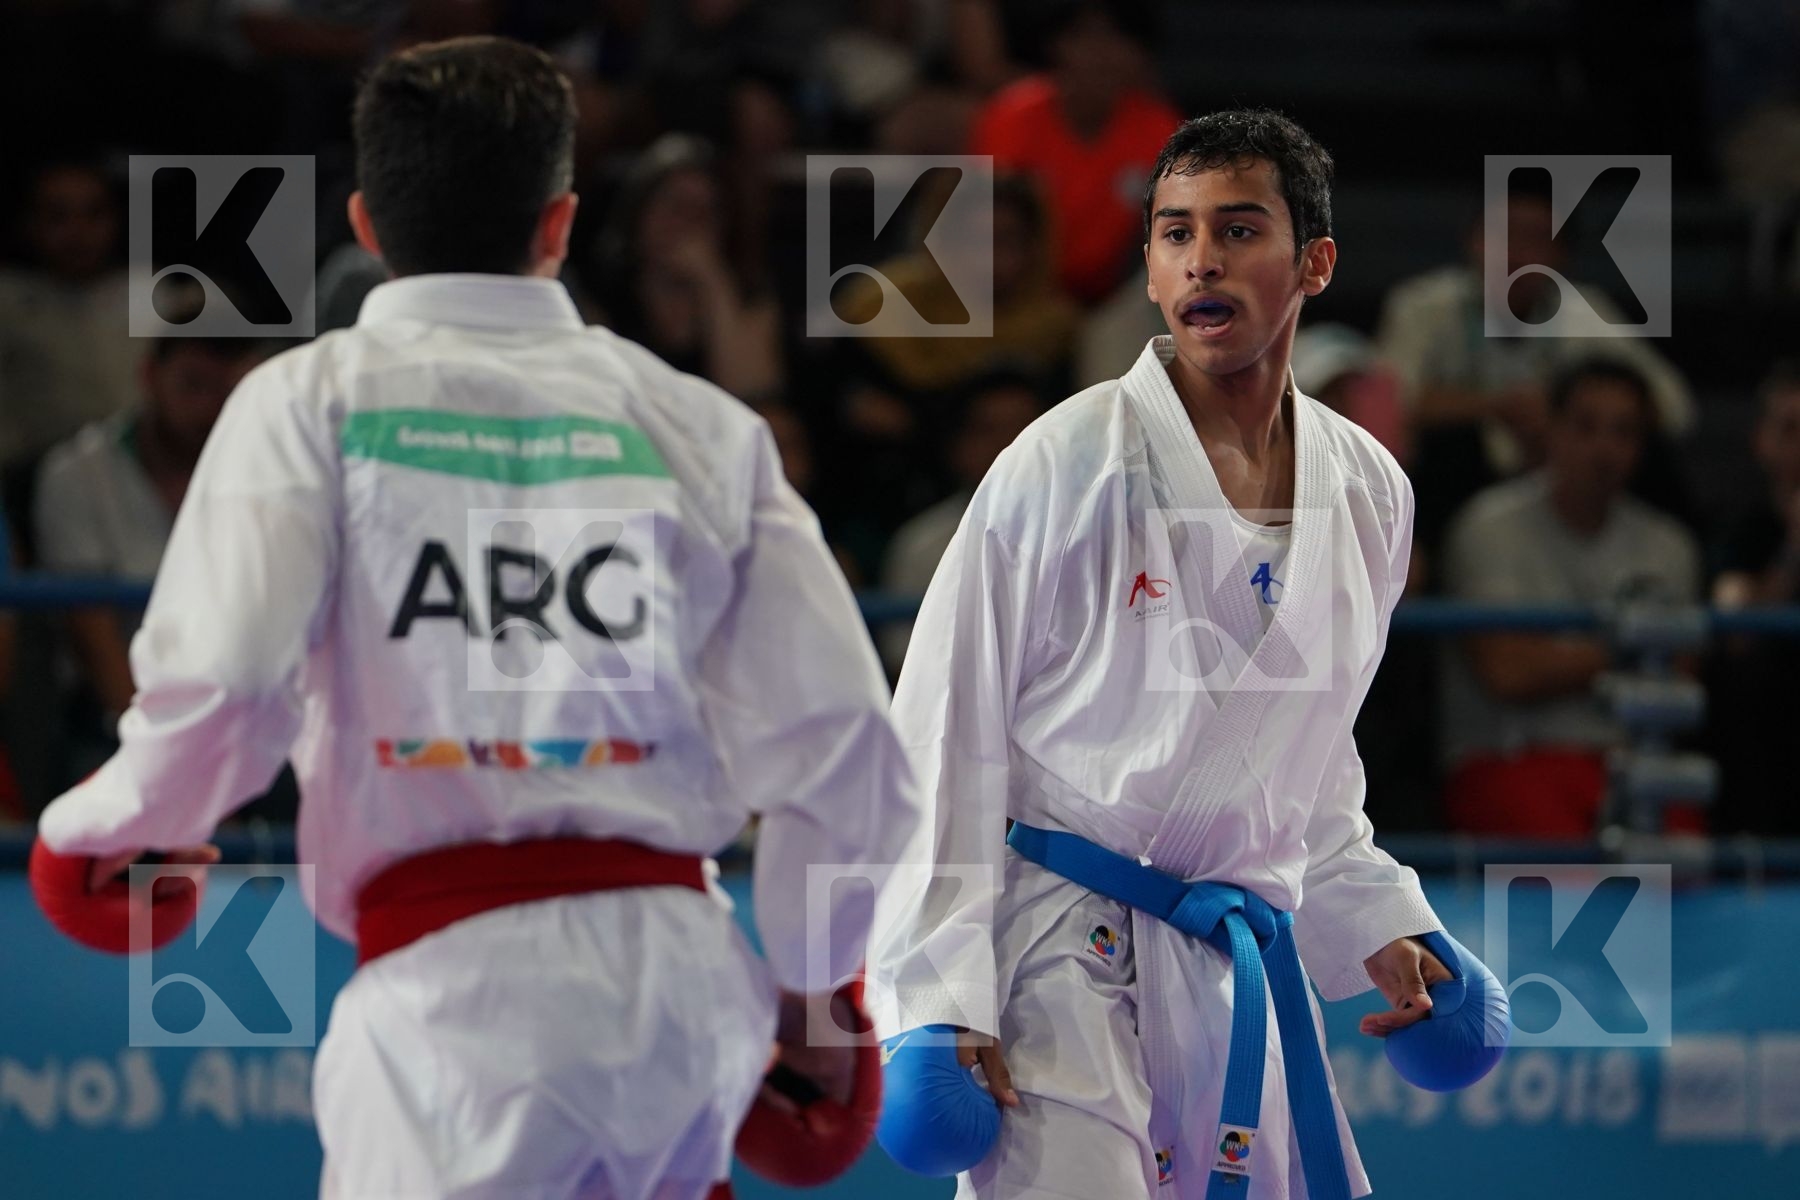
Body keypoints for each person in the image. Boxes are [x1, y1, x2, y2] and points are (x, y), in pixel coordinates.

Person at [31, 36, 915, 1200]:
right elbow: (845, 737)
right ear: (559, 224)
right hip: (679, 985)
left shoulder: (307, 399)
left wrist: (106, 826)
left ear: (365, 225)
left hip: (455, 1008)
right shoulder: (702, 424)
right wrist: (816, 989)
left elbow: (231, 685)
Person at [872, 110, 1475, 1200]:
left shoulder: (1371, 492)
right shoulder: (1063, 463)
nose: (1203, 259)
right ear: (1148, 269)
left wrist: (1381, 919)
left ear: (1316, 263)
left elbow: (1305, 765)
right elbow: (941, 730)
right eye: (1174, 233)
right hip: (1059, 955)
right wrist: (937, 996)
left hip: (1235, 965)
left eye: (1241, 230)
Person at [1440, 358, 1702, 838]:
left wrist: (1558, 658)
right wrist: (1629, 651)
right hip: (1511, 760)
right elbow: (1507, 671)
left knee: (1684, 868)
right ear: (1552, 430)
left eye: (1624, 432)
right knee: (1571, 881)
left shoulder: (1670, 546)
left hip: (1634, 769)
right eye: (1586, 427)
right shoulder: (1486, 527)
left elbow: (1678, 679)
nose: (1604, 449)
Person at [1376, 183, 1695, 556]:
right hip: (1453, 482)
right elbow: (1382, 407)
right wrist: (1494, 406)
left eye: (1536, 239)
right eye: (1502, 235)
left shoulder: (1586, 313)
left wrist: (1567, 416)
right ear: (1472, 242)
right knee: (1438, 447)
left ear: (1560, 255)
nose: (1515, 253)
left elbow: (1675, 407)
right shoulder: (1423, 307)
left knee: (1638, 451)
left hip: (1555, 477)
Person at [33, 301, 265, 773]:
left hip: (245, 715)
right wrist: (174, 762)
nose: (212, 409)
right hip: (115, 720)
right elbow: (94, 643)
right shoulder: (78, 475)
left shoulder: (268, 471)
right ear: (149, 377)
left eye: (230, 392)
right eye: (193, 386)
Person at [968, 0, 1181, 305]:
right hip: (1011, 296)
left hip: (1113, 303)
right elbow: (984, 229)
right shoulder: (1011, 117)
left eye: (1119, 38)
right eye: (1086, 37)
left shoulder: (1161, 131)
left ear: (1140, 53)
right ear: (1056, 44)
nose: (1102, 55)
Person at [1707, 362, 1800, 834]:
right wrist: (1792, 551)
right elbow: (1736, 633)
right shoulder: (1741, 530)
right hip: (1768, 755)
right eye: (1790, 429)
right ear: (1760, 441)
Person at [0, 160, 139, 471]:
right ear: (29, 223)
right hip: (36, 476)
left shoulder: (168, 296)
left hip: (151, 477)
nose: (78, 232)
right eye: (58, 216)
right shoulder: (9, 303)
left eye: (94, 214)